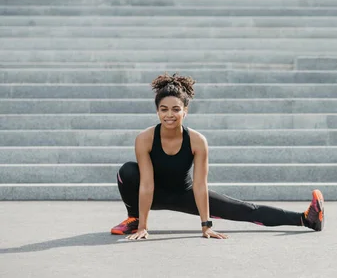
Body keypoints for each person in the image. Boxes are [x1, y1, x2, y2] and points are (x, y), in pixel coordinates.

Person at [110, 73, 324, 240]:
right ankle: (134, 218)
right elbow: (146, 184)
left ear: (185, 110)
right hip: (151, 194)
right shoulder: (145, 138)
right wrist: (143, 227)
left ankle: (306, 219)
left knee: (244, 209)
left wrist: (206, 226)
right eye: (164, 109)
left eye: (176, 109)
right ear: (157, 111)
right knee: (127, 171)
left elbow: (200, 185)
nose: (169, 115)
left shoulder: (197, 141)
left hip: (186, 194)